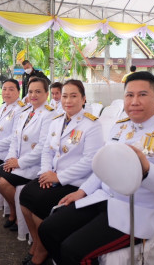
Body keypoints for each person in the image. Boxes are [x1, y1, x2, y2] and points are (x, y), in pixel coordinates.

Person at [38, 72, 154, 265]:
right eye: (129, 95)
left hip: (134, 212)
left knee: (72, 250)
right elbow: (102, 168)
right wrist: (83, 191)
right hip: (102, 199)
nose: (134, 101)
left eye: (142, 95)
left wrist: (146, 171)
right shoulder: (121, 127)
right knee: (48, 229)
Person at [19, 80, 105, 265]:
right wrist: (45, 173)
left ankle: (41, 251)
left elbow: (91, 161)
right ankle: (37, 241)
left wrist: (59, 177)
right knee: (26, 196)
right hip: (52, 175)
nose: (68, 100)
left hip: (74, 181)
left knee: (40, 202)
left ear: (83, 99)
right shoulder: (57, 121)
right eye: (64, 96)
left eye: (74, 96)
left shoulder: (92, 125)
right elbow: (47, 151)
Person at [0, 77, 56, 232]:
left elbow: (42, 147)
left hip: (34, 164)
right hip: (18, 160)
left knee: (5, 182)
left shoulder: (49, 115)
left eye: (38, 92)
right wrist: (11, 158)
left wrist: (19, 163)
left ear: (47, 94)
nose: (33, 95)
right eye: (31, 91)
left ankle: (20, 219)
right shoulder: (25, 112)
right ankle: (14, 211)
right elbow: (15, 138)